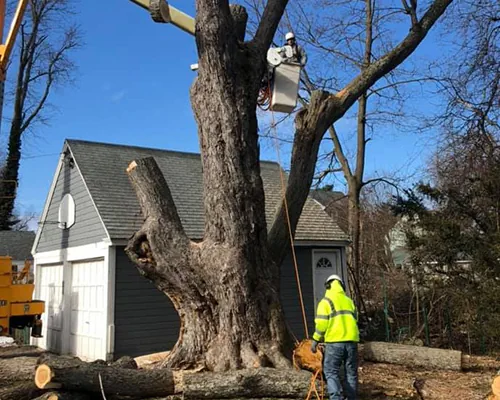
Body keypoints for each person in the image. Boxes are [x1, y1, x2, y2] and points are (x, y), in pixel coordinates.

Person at [311, 274, 359, 400]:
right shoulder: (349, 301)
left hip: (334, 343)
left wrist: (315, 340)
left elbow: (321, 324)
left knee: (331, 372)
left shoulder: (325, 302)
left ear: (328, 286)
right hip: (352, 343)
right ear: (341, 286)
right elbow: (355, 319)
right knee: (351, 374)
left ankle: (336, 397)